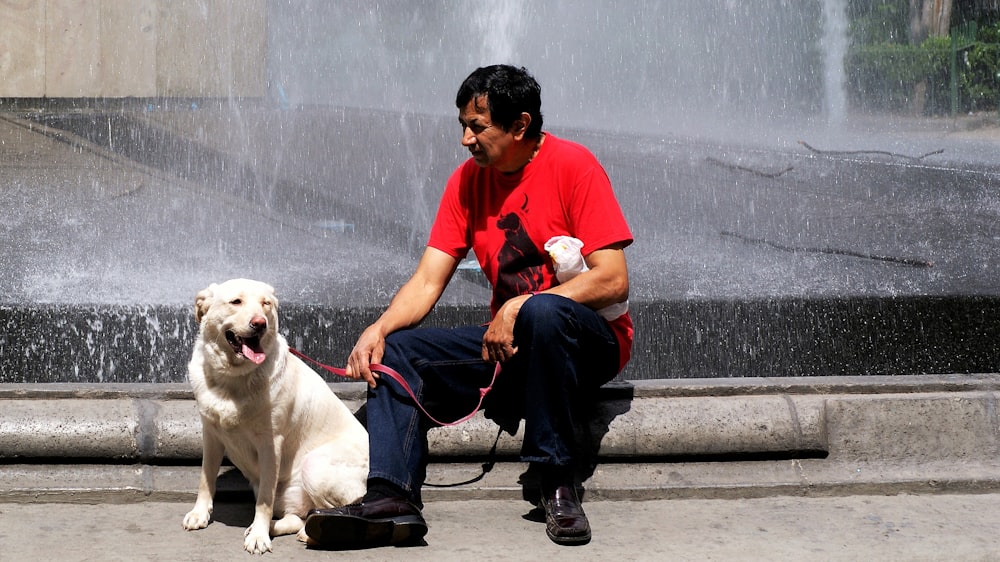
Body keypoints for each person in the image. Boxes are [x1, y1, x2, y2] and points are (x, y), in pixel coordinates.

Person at [304, 64, 633, 548]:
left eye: (477, 127)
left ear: (520, 125)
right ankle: (391, 495)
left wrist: (521, 305)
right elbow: (426, 279)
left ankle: (558, 482)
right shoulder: (467, 181)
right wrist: (379, 328)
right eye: (462, 125)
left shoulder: (574, 165)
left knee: (541, 314)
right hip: (511, 344)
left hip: (587, 344)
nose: (465, 139)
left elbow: (613, 279)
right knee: (398, 352)